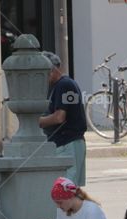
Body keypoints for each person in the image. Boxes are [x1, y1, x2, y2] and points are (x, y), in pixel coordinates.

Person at [39, 51, 87, 186]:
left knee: (66, 189)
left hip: (68, 142)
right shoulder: (59, 86)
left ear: (52, 70)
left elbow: (59, 117)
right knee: (66, 189)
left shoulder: (64, 85)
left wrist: (37, 122)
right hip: (65, 142)